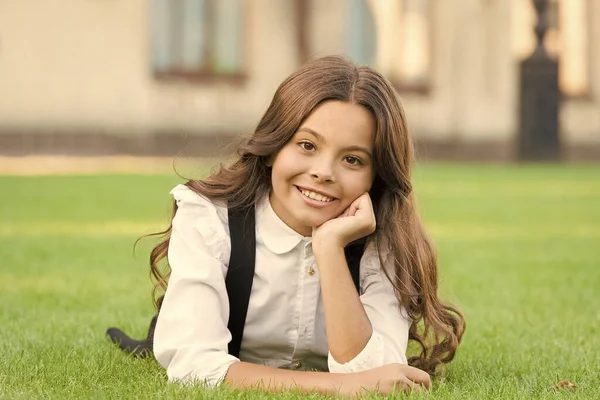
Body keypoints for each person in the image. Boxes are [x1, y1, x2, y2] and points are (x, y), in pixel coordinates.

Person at [149, 56, 465, 397]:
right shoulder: (209, 217)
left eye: (353, 159)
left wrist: (329, 248)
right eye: (307, 145)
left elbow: (375, 376)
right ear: (272, 148)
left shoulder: (386, 240)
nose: (323, 171)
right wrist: (341, 387)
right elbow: (193, 368)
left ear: (377, 176)